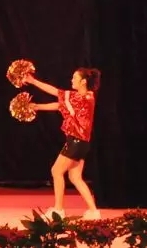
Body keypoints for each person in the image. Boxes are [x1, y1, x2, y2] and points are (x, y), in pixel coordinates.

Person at [25, 68, 102, 220]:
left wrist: (33, 81)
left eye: (74, 78)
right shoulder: (85, 97)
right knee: (75, 177)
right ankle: (94, 211)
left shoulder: (83, 98)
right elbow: (60, 105)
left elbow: (55, 92)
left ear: (83, 81)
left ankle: (58, 210)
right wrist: (38, 106)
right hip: (81, 143)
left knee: (56, 171)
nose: (71, 80)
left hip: (76, 141)